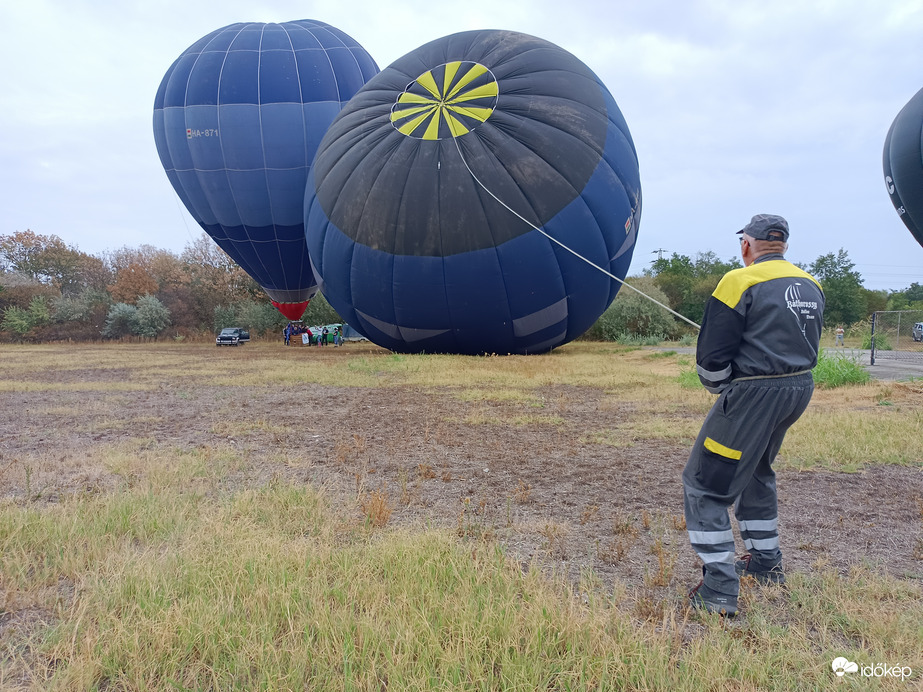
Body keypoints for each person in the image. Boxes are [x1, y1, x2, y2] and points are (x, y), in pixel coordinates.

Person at [684, 214, 825, 617]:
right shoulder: (811, 284)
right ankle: (766, 563)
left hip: (753, 395)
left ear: (747, 244)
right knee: (757, 470)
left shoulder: (738, 281)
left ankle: (718, 591)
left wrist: (722, 388)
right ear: (782, 244)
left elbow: (711, 361)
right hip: (798, 389)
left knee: (704, 484)